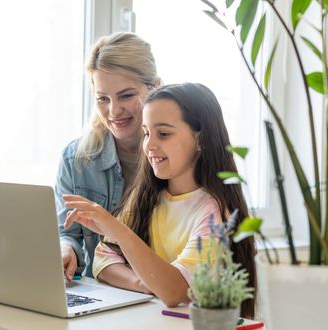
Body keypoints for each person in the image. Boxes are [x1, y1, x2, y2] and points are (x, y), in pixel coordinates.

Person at [63, 83, 256, 317]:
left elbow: (174, 291)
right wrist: (148, 283)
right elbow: (102, 263)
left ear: (200, 140)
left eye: (163, 134)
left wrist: (120, 233)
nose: (149, 145)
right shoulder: (146, 196)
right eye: (146, 133)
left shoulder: (215, 212)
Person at [54, 32, 160, 280]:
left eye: (126, 95)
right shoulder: (76, 160)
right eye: (103, 98)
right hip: (105, 297)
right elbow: (66, 233)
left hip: (160, 299)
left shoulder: (174, 158)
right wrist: (66, 250)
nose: (114, 111)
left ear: (154, 87)